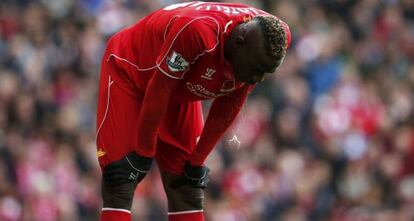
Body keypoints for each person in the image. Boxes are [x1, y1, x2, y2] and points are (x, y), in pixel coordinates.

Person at [95, 1, 291, 221]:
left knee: (187, 188)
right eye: (255, 69)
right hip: (130, 73)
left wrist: (197, 161)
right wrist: (143, 152)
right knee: (120, 182)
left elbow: (230, 102)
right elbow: (159, 88)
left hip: (176, 87)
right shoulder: (198, 32)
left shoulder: (273, 37)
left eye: (266, 72)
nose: (258, 79)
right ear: (238, 42)